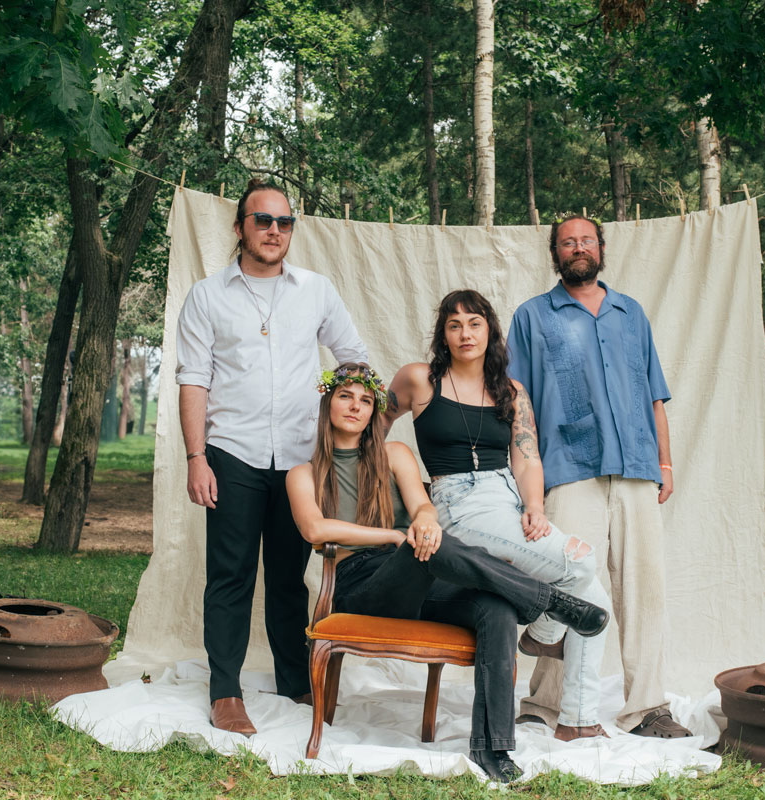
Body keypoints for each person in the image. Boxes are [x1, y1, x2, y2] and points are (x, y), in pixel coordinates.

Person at [286, 363, 608, 782]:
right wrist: (391, 537)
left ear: (373, 413)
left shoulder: (395, 455)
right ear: (329, 402)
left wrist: (424, 521)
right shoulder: (303, 474)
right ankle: (548, 601)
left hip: (418, 573)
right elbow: (315, 528)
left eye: (366, 401)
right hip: (363, 585)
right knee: (428, 547)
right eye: (346, 396)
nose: (356, 407)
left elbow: (423, 506)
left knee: (492, 606)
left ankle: (492, 751)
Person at [175, 179, 368, 735]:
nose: (274, 231)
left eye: (284, 223)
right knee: (230, 576)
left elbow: (353, 358)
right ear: (240, 228)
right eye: (263, 220)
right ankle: (225, 692)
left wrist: (342, 416)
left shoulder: (316, 290)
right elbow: (194, 380)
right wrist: (196, 457)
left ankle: (293, 680)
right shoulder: (208, 296)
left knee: (289, 577)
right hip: (231, 454)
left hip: (300, 462)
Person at [386, 290, 613, 741]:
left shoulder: (511, 391)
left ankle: (578, 720)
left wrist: (533, 508)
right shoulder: (419, 379)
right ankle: (546, 634)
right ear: (443, 335)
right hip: (456, 503)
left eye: (474, 323)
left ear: (489, 330)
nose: (465, 333)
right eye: (454, 325)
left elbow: (526, 458)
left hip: (507, 498)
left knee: (596, 598)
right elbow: (370, 431)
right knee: (582, 562)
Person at [505, 214, 691, 738]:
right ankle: (544, 703)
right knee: (567, 585)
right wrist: (529, 484)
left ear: (601, 248)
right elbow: (519, 402)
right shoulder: (532, 316)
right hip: (567, 468)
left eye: (586, 240)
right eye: (568, 242)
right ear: (555, 254)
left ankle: (648, 708)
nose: (578, 248)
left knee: (643, 589)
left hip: (635, 465)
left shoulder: (631, 314)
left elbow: (654, 393)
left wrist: (665, 463)